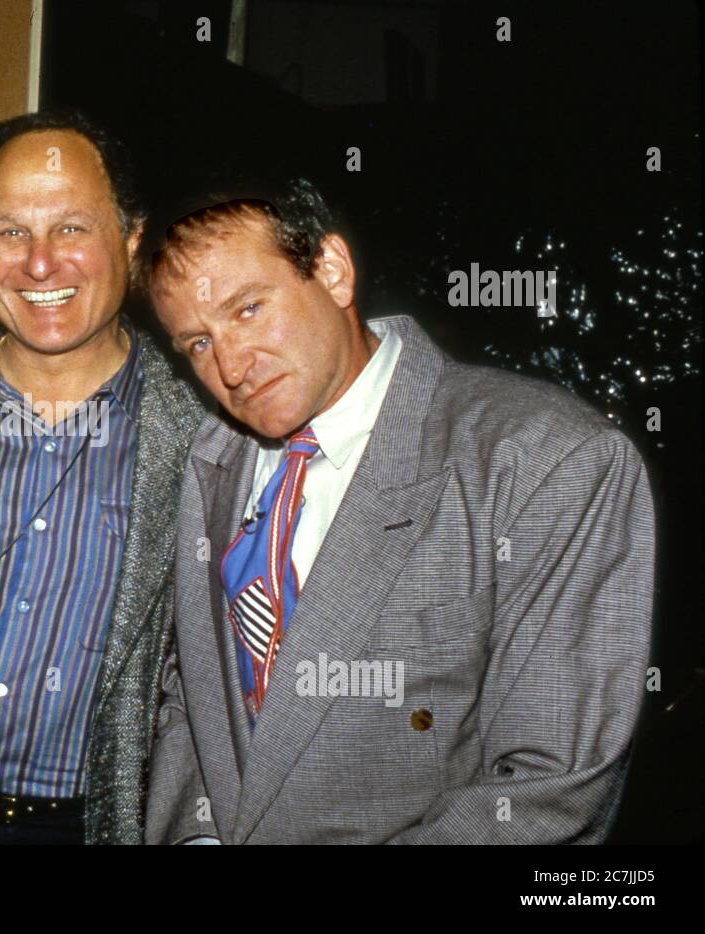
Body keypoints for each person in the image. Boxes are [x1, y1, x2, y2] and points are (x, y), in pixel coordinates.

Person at [140, 179, 655, 843]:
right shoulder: (212, 461)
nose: (233, 366)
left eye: (248, 311)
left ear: (333, 270)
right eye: (198, 344)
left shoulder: (546, 458)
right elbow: (195, 701)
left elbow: (550, 784)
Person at [0, 110, 205, 844]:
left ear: (129, 236)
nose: (38, 263)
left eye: (71, 228)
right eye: (10, 231)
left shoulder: (206, 441)